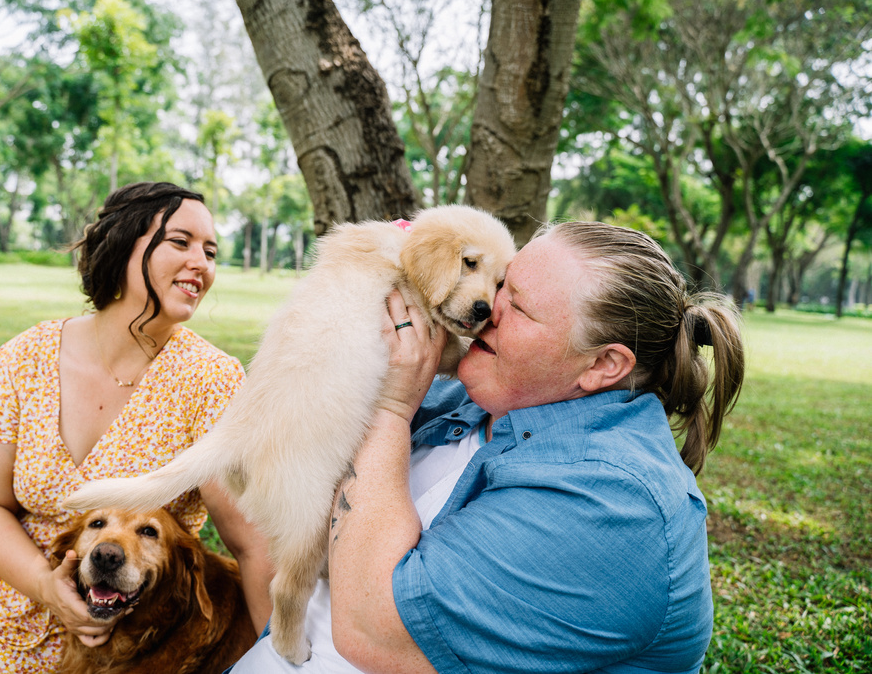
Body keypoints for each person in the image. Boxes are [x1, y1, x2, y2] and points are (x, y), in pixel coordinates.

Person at [232, 220, 744, 673]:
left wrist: (389, 410)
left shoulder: (616, 505)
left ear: (602, 366)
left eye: (518, 305)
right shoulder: (474, 396)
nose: (487, 305)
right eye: (502, 282)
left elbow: (372, 631)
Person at [0, 182, 273, 674]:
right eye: (180, 242)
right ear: (122, 243)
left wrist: (278, 660)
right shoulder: (27, 354)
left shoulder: (211, 379)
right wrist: (41, 580)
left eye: (210, 251)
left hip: (89, 598)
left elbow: (251, 543)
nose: (202, 264)